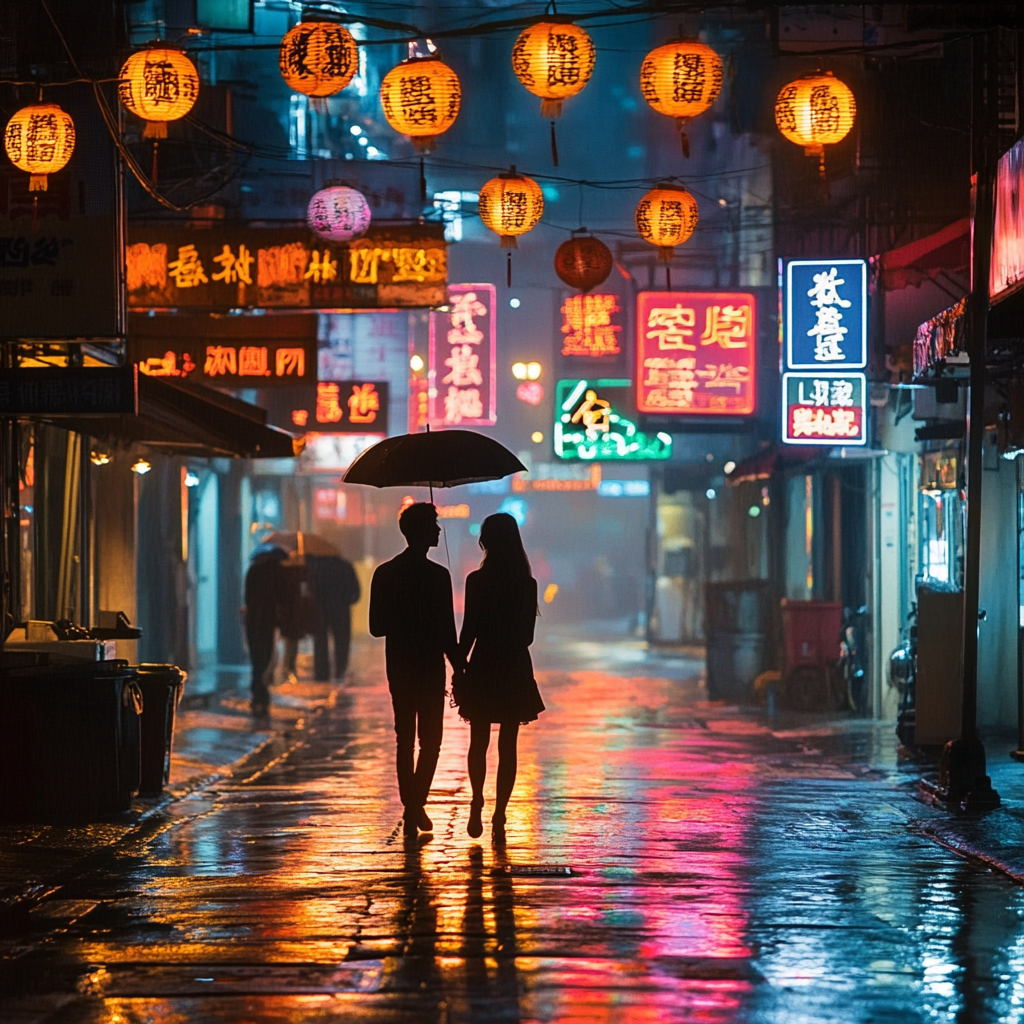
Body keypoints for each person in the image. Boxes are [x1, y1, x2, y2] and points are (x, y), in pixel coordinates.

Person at [369, 502, 461, 836]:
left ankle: (412, 806)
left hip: (400, 666)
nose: (439, 530)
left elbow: (376, 627)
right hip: (430, 669)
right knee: (430, 741)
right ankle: (414, 804)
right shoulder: (439, 576)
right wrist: (460, 667)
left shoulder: (385, 573)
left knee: (404, 739)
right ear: (422, 530)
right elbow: (447, 634)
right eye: (434, 524)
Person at [454, 512, 544, 840]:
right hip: (514, 666)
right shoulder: (527, 584)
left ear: (485, 541)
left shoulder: (476, 581)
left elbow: (469, 633)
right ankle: (500, 816)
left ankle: (476, 801)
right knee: (509, 744)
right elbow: (528, 637)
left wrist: (458, 666)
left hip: (483, 665)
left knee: (479, 741)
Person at [243, 544, 287, 716]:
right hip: (268, 620)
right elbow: (283, 598)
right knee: (267, 655)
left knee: (256, 656)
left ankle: (257, 691)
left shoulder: (253, 571)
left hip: (253, 619)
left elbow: (247, 596)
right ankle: (261, 690)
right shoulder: (278, 573)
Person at [309, 553, 361, 681]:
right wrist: (346, 601)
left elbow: (311, 589)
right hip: (341, 610)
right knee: (342, 642)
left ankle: (321, 673)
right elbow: (356, 592)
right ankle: (340, 671)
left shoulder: (316, 567)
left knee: (320, 641)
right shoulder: (346, 566)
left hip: (320, 610)